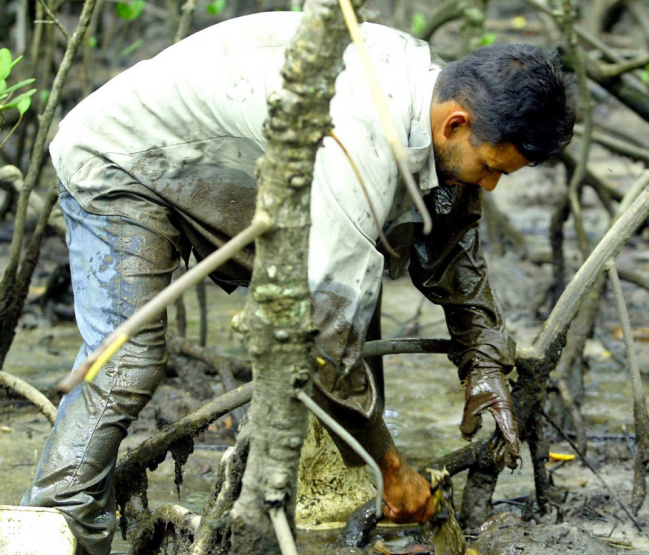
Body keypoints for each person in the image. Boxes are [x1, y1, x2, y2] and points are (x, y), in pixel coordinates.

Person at [22, 10, 574, 554]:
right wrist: (393, 470)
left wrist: (483, 362)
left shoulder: (428, 91)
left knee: (363, 261)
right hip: (121, 158)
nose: (495, 187)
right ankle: (55, 523)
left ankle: (334, 480)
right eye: (492, 167)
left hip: (224, 160)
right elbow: (326, 338)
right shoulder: (362, 141)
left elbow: (450, 233)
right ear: (454, 123)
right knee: (129, 360)